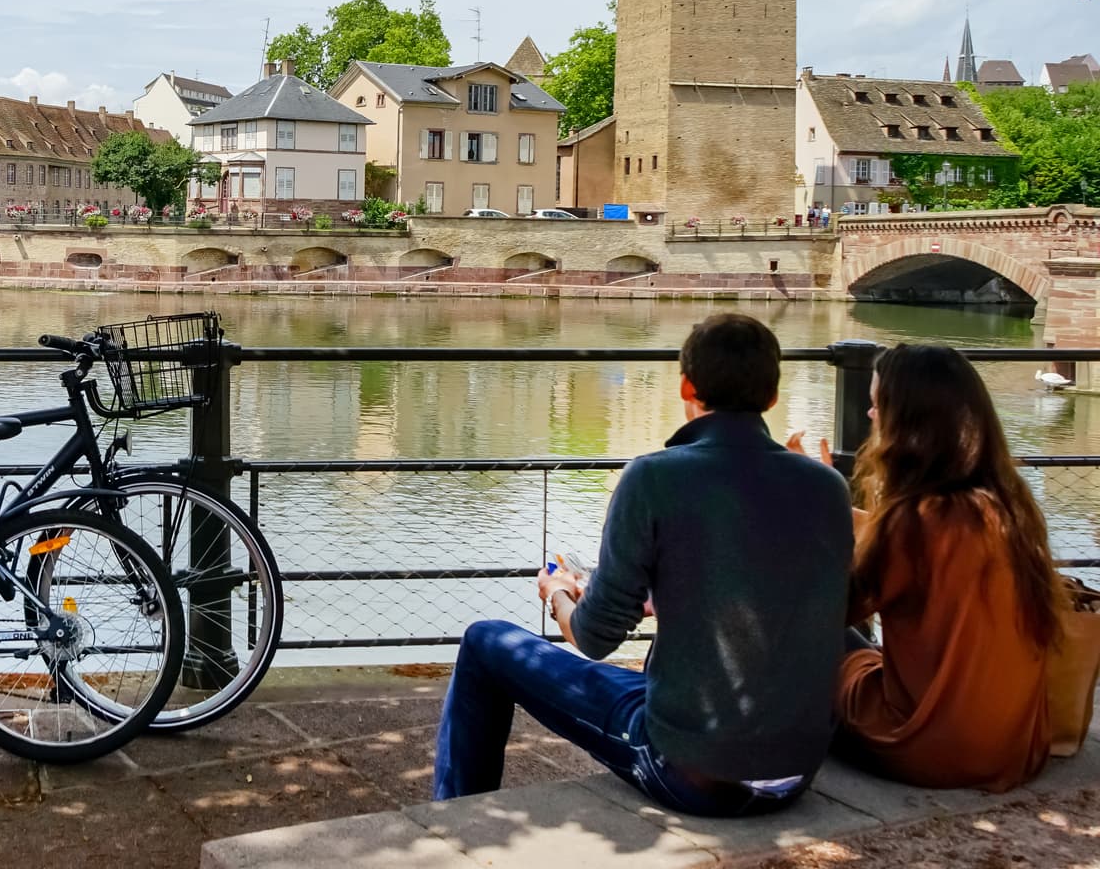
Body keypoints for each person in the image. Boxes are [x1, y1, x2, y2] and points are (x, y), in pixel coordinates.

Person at [432, 313, 854, 815]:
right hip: (795, 768)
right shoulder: (827, 486)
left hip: (695, 771)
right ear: (772, 396)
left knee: (485, 641)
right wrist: (658, 595)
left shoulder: (653, 477)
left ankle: (452, 818)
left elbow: (593, 638)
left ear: (686, 386)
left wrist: (559, 593)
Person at [794, 344, 1061, 792]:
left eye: (878, 404)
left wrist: (811, 510)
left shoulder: (913, 522)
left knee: (816, 642)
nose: (870, 414)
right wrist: (840, 508)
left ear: (909, 423)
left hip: (927, 748)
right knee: (865, 653)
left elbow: (829, 610)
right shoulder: (1008, 507)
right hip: (1016, 745)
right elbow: (914, 550)